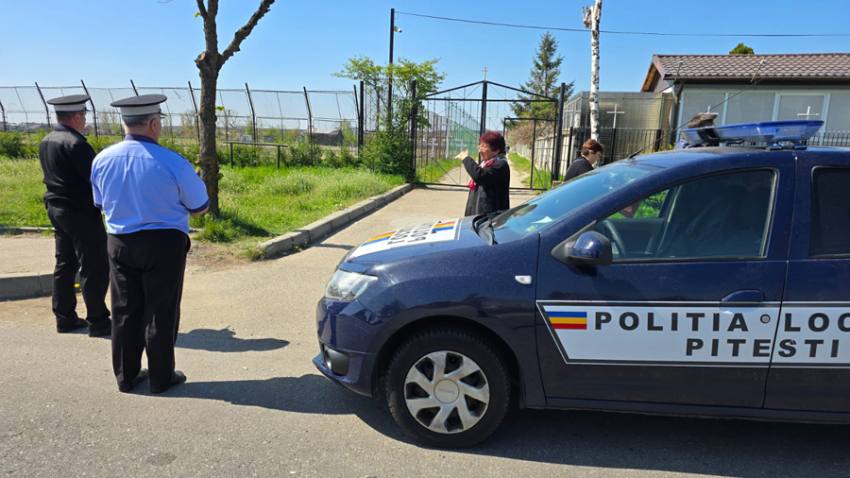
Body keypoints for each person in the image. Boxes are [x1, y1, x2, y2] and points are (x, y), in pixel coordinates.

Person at [90, 94, 209, 394]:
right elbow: (200, 206)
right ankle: (160, 376)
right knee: (161, 309)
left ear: (124, 123)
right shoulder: (173, 162)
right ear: (154, 123)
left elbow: (99, 202)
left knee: (125, 309)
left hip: (119, 242)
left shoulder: (102, 159)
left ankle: (126, 376)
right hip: (163, 243)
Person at [38, 94, 111, 337]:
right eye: (84, 115)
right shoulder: (77, 144)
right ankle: (98, 320)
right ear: (78, 116)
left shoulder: (46, 140)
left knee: (65, 263)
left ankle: (64, 317)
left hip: (57, 209)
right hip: (80, 211)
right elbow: (95, 180)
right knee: (94, 266)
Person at [457, 131, 510, 216]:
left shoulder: (500, 165)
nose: (479, 150)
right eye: (480, 146)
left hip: (491, 218)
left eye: (483, 146)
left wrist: (466, 159)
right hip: (478, 213)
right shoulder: (486, 163)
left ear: (496, 150)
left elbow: (480, 176)